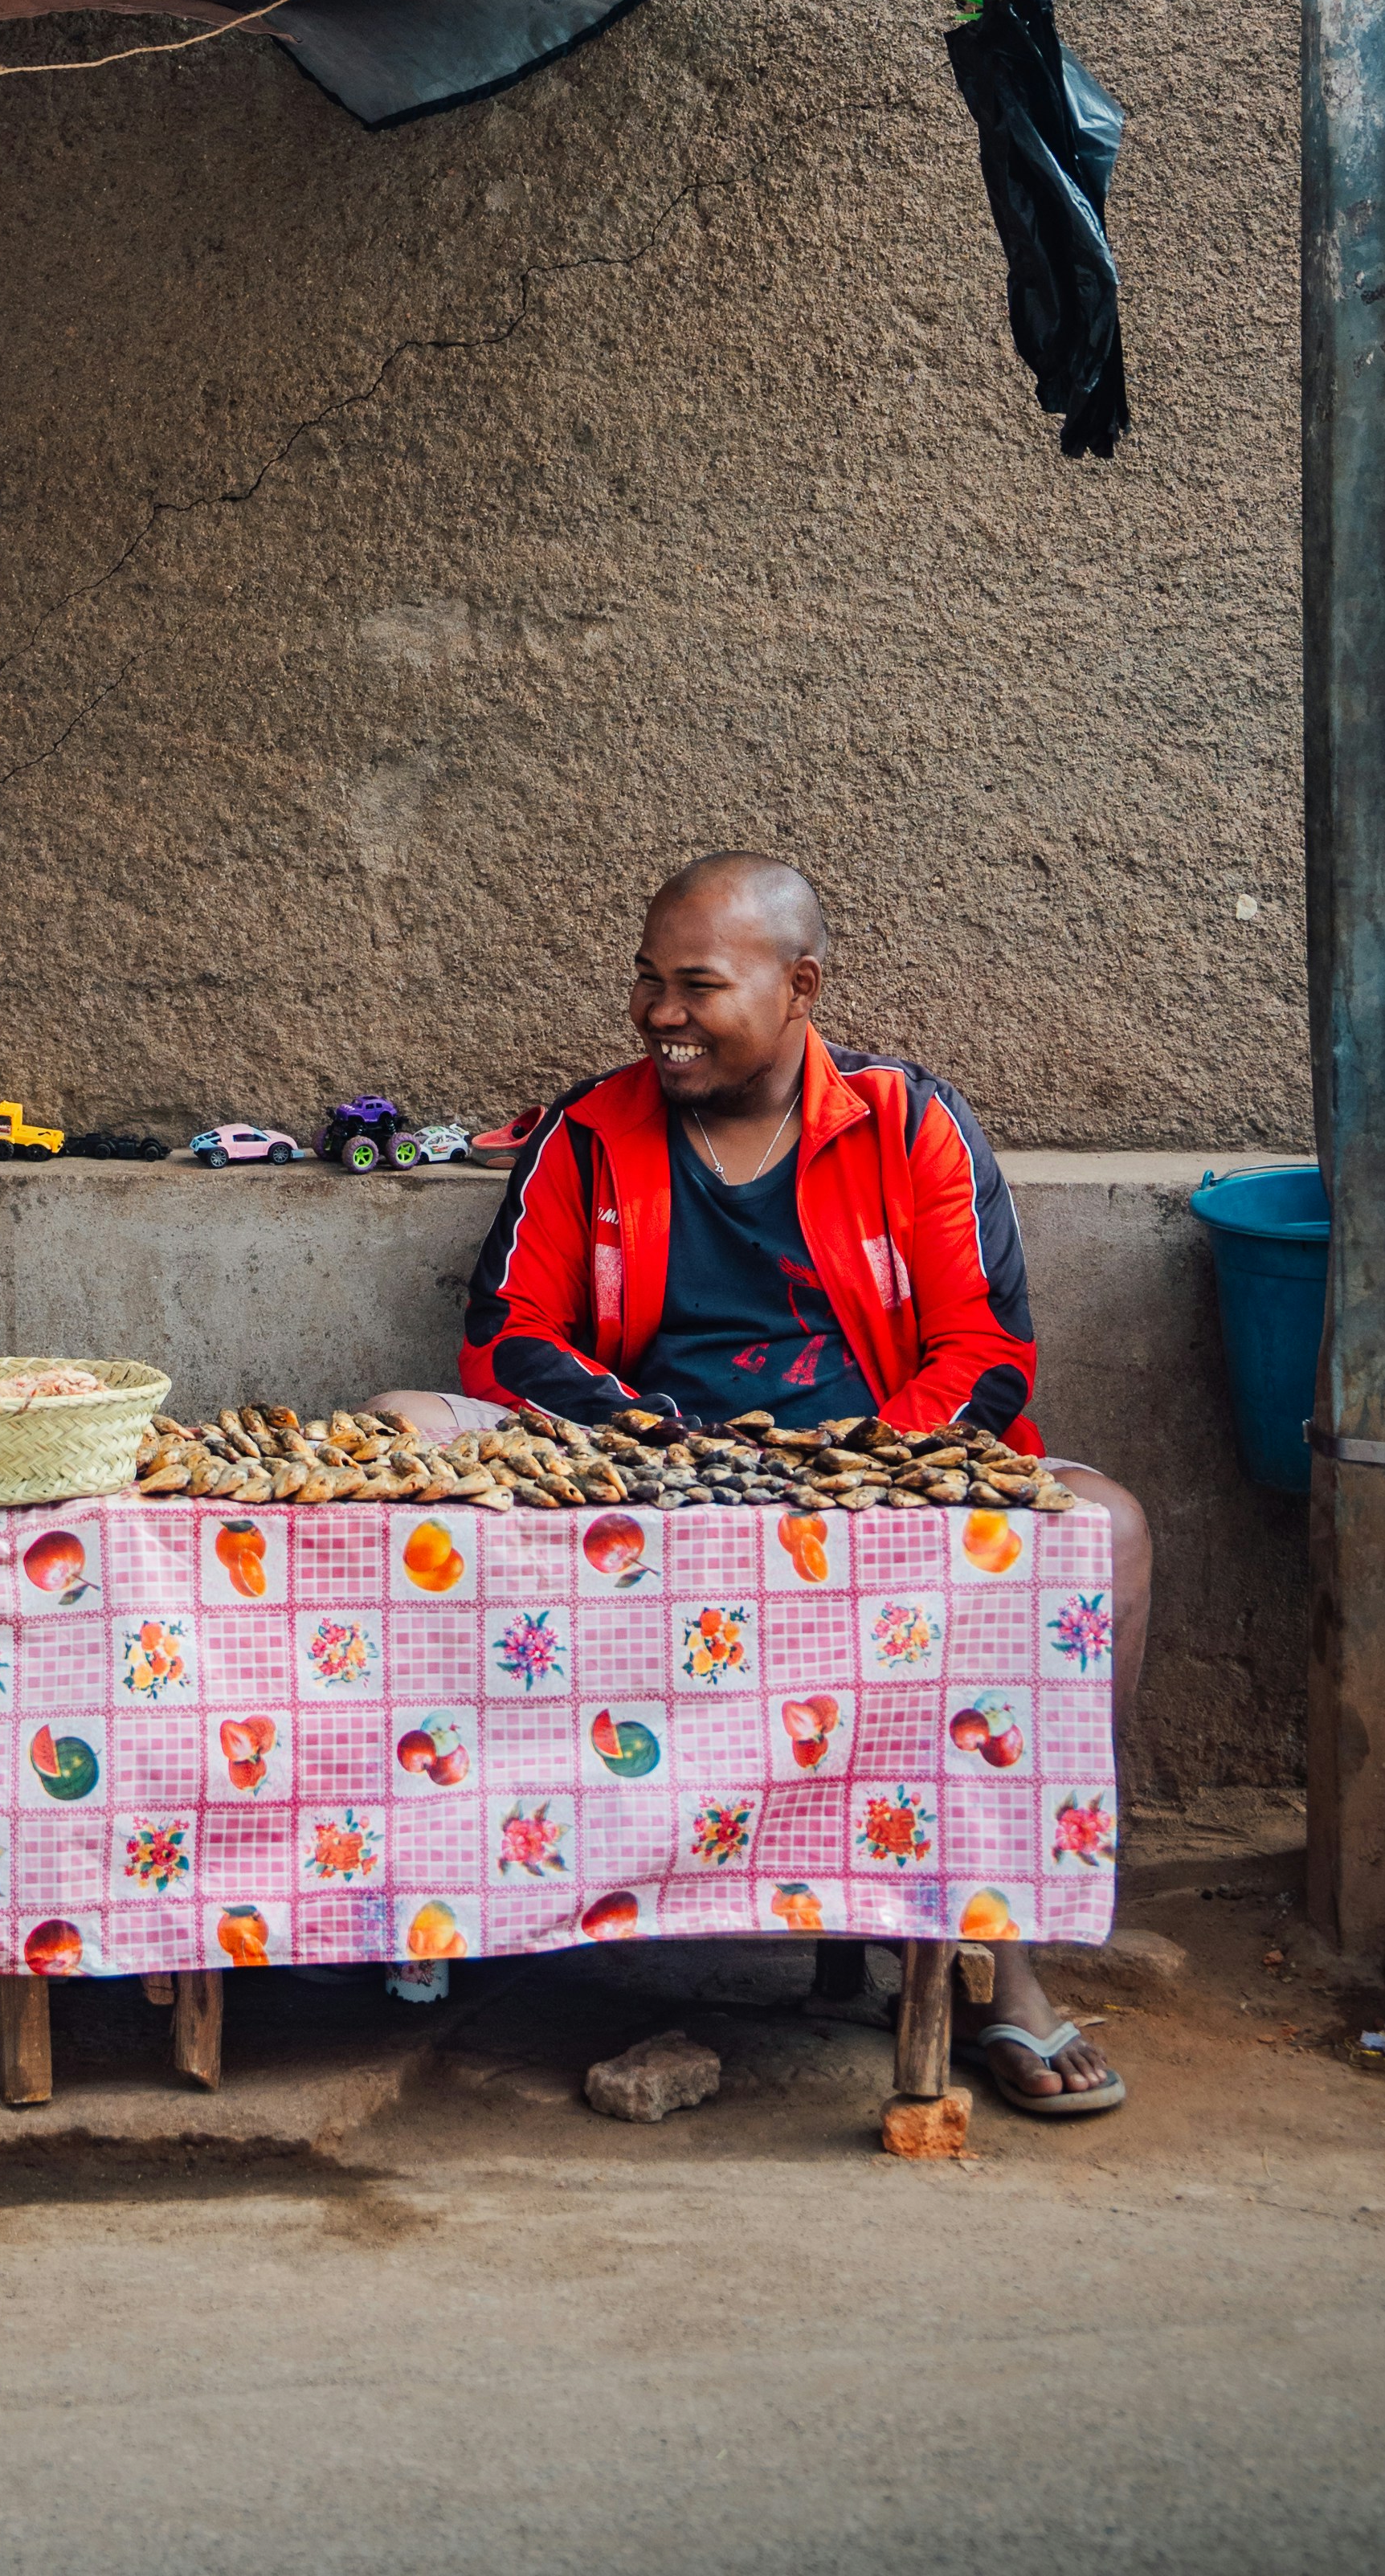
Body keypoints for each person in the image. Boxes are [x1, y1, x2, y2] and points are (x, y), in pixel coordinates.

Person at [437, 848, 1149, 2120]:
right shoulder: (587, 1135)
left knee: (1110, 1529)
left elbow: (987, 1353)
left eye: (697, 986)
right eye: (647, 983)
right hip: (649, 1483)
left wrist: (858, 1478)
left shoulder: (912, 1123)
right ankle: (472, 1900)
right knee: (405, 1426)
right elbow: (507, 1337)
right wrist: (658, 1445)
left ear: (800, 984)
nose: (660, 1014)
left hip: (881, 1482)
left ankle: (1010, 1967)